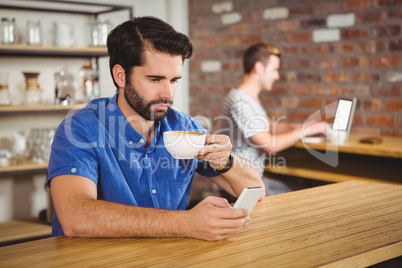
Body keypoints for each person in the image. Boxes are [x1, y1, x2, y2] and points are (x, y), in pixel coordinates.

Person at [47, 17, 264, 242]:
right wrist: (186, 223)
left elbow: (256, 190)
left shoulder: (183, 127)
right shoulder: (81, 128)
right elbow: (76, 217)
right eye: (155, 79)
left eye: (174, 80)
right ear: (120, 76)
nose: (168, 94)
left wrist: (226, 161)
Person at [221, 42, 327, 196]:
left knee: (296, 192)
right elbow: (269, 144)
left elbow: (268, 126)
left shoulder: (248, 98)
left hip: (254, 177)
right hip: (241, 182)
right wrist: (304, 131)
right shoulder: (240, 102)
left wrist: (305, 128)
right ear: (258, 68)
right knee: (298, 198)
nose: (277, 76)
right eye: (274, 70)